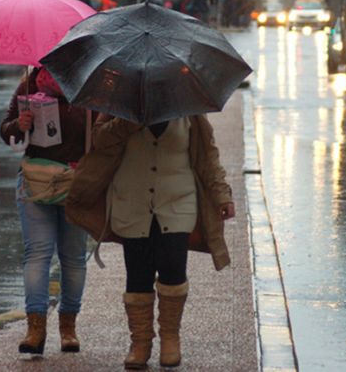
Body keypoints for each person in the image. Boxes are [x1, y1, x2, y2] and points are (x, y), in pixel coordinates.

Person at [65, 114, 235, 369]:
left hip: (178, 202)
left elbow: (208, 156)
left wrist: (222, 195)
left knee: (173, 270)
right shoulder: (120, 105)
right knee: (138, 275)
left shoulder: (188, 106)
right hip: (131, 204)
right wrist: (129, 122)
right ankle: (140, 343)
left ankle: (170, 339)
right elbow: (99, 140)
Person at [0, 67, 90, 355]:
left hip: (76, 186)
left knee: (73, 257)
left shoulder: (90, 85)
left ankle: (68, 329)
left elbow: (107, 136)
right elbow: (5, 130)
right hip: (35, 184)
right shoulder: (31, 81)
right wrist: (19, 125)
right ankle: (35, 330)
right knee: (37, 254)